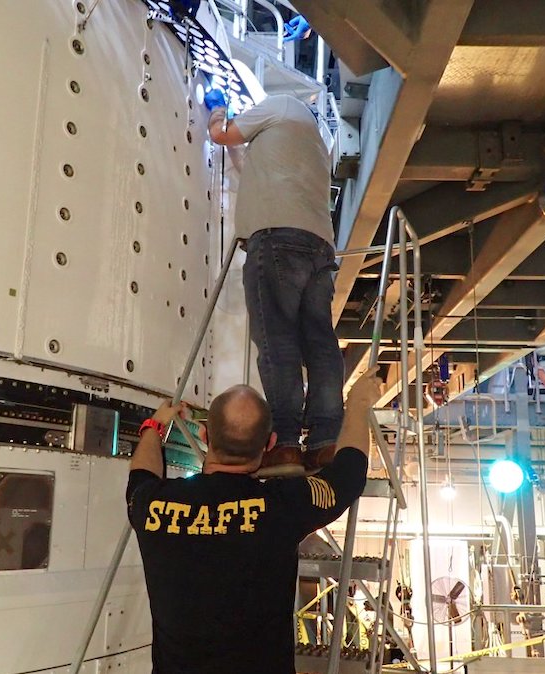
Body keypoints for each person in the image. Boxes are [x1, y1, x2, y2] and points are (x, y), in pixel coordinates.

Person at [125, 369, 381, 674]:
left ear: (205, 437)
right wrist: (357, 405)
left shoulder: (154, 506)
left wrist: (154, 426)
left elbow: (140, 477)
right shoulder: (283, 505)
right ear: (270, 443)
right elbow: (349, 474)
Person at [204, 88, 343, 477]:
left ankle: (284, 443)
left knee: (277, 340)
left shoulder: (279, 104)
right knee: (319, 342)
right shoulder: (314, 142)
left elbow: (223, 135)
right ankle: (324, 442)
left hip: (277, 240)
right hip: (319, 247)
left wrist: (218, 109)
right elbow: (248, 167)